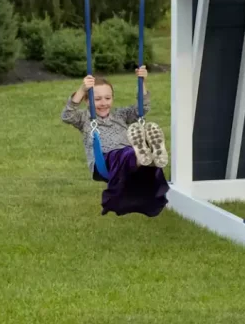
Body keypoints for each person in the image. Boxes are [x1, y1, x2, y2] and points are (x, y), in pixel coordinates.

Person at [61, 69, 169, 217]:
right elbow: (67, 115)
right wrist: (82, 89)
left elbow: (142, 108)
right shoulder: (85, 118)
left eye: (107, 98)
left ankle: (149, 158)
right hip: (105, 161)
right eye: (97, 99)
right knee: (127, 153)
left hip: (127, 155)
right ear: (87, 100)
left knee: (130, 153)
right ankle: (144, 154)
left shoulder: (120, 115)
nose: (103, 103)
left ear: (112, 98)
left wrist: (142, 82)